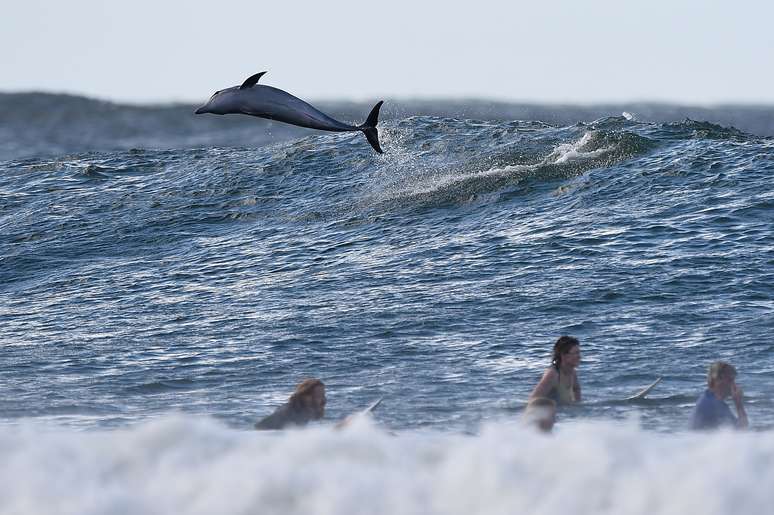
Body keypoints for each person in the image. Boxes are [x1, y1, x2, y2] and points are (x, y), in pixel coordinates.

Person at [690, 361, 748, 430]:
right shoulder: (711, 404)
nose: (734, 384)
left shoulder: (710, 398)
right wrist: (738, 403)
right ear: (717, 380)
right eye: (730, 380)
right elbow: (742, 430)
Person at [254, 378, 326, 430]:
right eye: (316, 394)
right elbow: (259, 426)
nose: (319, 398)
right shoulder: (287, 410)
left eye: (321, 394)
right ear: (303, 395)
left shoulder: (310, 411)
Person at [529, 336, 581, 405]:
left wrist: (577, 406)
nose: (579, 356)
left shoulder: (572, 372)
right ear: (563, 355)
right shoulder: (553, 374)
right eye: (576, 353)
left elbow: (576, 389)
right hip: (552, 413)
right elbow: (534, 399)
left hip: (565, 413)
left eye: (579, 353)